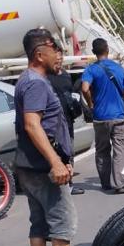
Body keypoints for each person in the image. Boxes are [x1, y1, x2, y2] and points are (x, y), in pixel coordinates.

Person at [15, 28, 94, 246]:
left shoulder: (27, 80)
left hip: (28, 165)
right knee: (62, 221)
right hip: (43, 167)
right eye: (55, 49)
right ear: (40, 54)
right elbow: (32, 124)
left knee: (38, 223)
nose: (59, 55)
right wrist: (56, 162)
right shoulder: (36, 83)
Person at [81, 38, 124, 193]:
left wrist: (90, 103)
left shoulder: (90, 69)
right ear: (107, 49)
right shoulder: (119, 68)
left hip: (100, 117)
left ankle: (105, 183)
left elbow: (84, 88)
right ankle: (119, 184)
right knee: (120, 150)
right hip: (118, 116)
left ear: (94, 52)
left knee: (102, 150)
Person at [48, 55, 83, 195]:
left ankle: (68, 184)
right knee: (54, 154)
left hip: (67, 122)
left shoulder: (66, 76)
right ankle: (56, 185)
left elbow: (72, 95)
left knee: (68, 153)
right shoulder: (43, 78)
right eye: (55, 57)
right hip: (50, 124)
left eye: (60, 57)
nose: (58, 60)